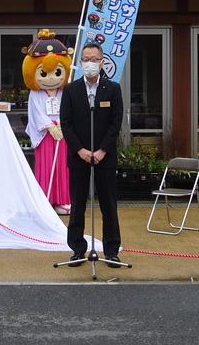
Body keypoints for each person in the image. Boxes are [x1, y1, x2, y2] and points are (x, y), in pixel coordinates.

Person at [60, 43, 124, 267]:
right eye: (85, 59)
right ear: (80, 63)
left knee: (109, 205)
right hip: (79, 157)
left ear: (102, 62)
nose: (89, 63)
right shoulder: (71, 90)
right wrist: (81, 150)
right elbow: (65, 124)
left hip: (105, 157)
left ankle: (112, 250)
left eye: (93, 59)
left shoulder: (113, 89)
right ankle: (77, 249)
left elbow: (116, 123)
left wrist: (102, 150)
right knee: (77, 205)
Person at [22, 29, 73, 215]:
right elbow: (35, 113)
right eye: (43, 73)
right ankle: (44, 200)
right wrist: (50, 126)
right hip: (45, 134)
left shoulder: (65, 92)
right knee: (44, 165)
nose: (51, 78)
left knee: (63, 166)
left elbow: (69, 109)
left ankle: (62, 200)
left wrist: (61, 123)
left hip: (62, 132)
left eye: (57, 73)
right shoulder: (35, 94)